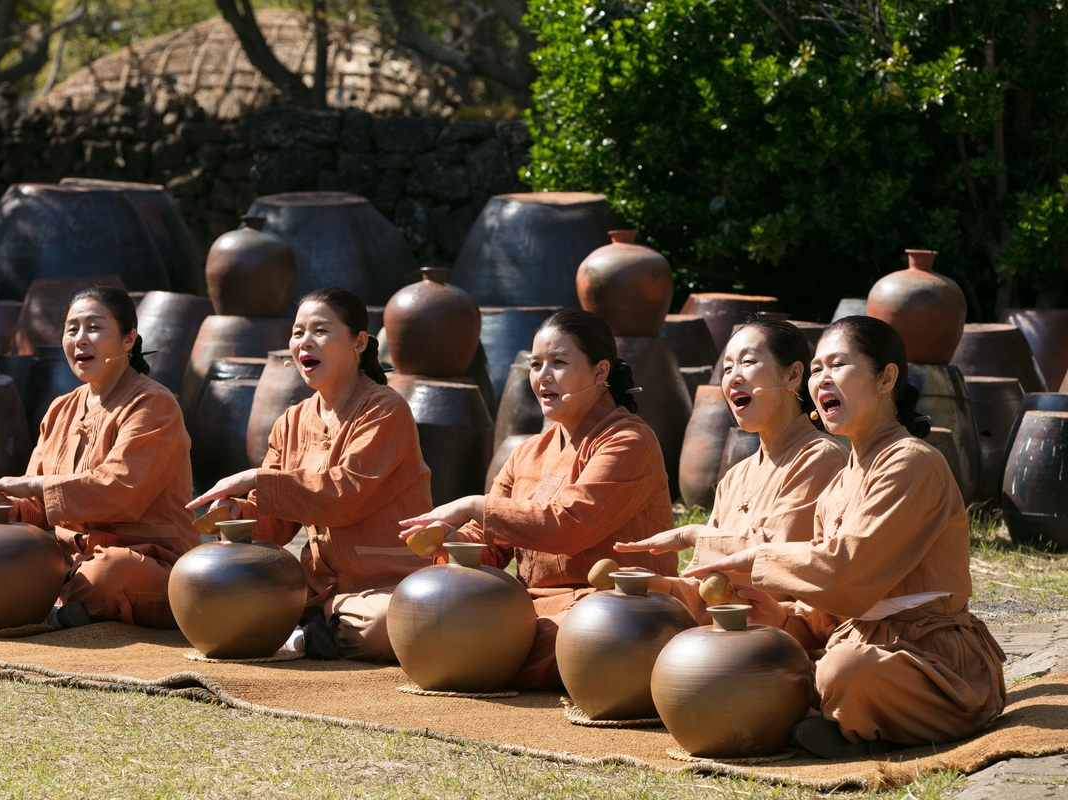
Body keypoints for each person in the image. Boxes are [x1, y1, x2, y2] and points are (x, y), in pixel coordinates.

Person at [687, 316, 1006, 758]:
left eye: (837, 365)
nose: (821, 379)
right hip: (853, 643)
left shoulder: (912, 462)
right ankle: (843, 720)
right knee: (766, 664)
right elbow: (829, 612)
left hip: (931, 660)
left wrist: (743, 554)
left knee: (843, 671)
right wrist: (781, 619)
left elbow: (845, 571)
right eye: (816, 369)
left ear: (886, 378)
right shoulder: (838, 485)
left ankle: (854, 721)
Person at [397, 309, 677, 689]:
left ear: (600, 372)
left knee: (584, 638)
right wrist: (446, 539)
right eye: (535, 364)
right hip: (532, 610)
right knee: (435, 616)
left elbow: (568, 526)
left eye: (559, 363)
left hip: (607, 607)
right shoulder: (528, 452)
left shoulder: (628, 440)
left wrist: (471, 505)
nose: (543, 376)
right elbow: (489, 547)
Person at [189, 287, 431, 663]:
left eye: (320, 330)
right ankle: (314, 629)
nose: (305, 342)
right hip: (315, 587)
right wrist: (238, 513)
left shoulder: (385, 410)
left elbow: (344, 494)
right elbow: (276, 523)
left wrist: (256, 478)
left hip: (386, 583)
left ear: (359, 342)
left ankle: (308, 632)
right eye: (298, 332)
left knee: (386, 625)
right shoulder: (291, 420)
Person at [0, 286, 197, 630]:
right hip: (71, 566)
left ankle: (62, 610)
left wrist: (33, 485)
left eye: (94, 327)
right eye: (72, 329)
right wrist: (0, 505)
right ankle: (66, 610)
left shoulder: (154, 404)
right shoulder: (60, 409)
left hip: (151, 566)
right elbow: (37, 505)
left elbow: (119, 490)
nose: (80, 339)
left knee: (110, 573)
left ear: (129, 340)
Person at [615, 318, 848, 621]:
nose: (733, 378)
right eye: (726, 369)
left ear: (792, 375)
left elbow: (773, 573)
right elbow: (712, 589)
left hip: (786, 637)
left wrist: (694, 534)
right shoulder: (735, 477)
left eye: (747, 362)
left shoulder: (821, 458)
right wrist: (660, 587)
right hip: (728, 633)